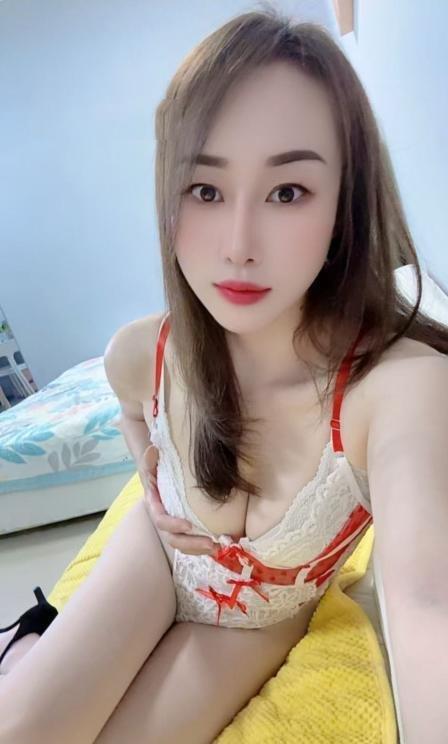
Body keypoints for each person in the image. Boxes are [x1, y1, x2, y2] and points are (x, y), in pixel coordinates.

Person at [1, 6, 448, 743]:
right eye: (205, 190)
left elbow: (429, 604)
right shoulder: (143, 351)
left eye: (287, 192)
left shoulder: (397, 388)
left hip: (254, 619)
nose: (238, 245)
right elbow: (130, 406)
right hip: (156, 557)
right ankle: (28, 641)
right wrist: (147, 470)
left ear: (346, 200)